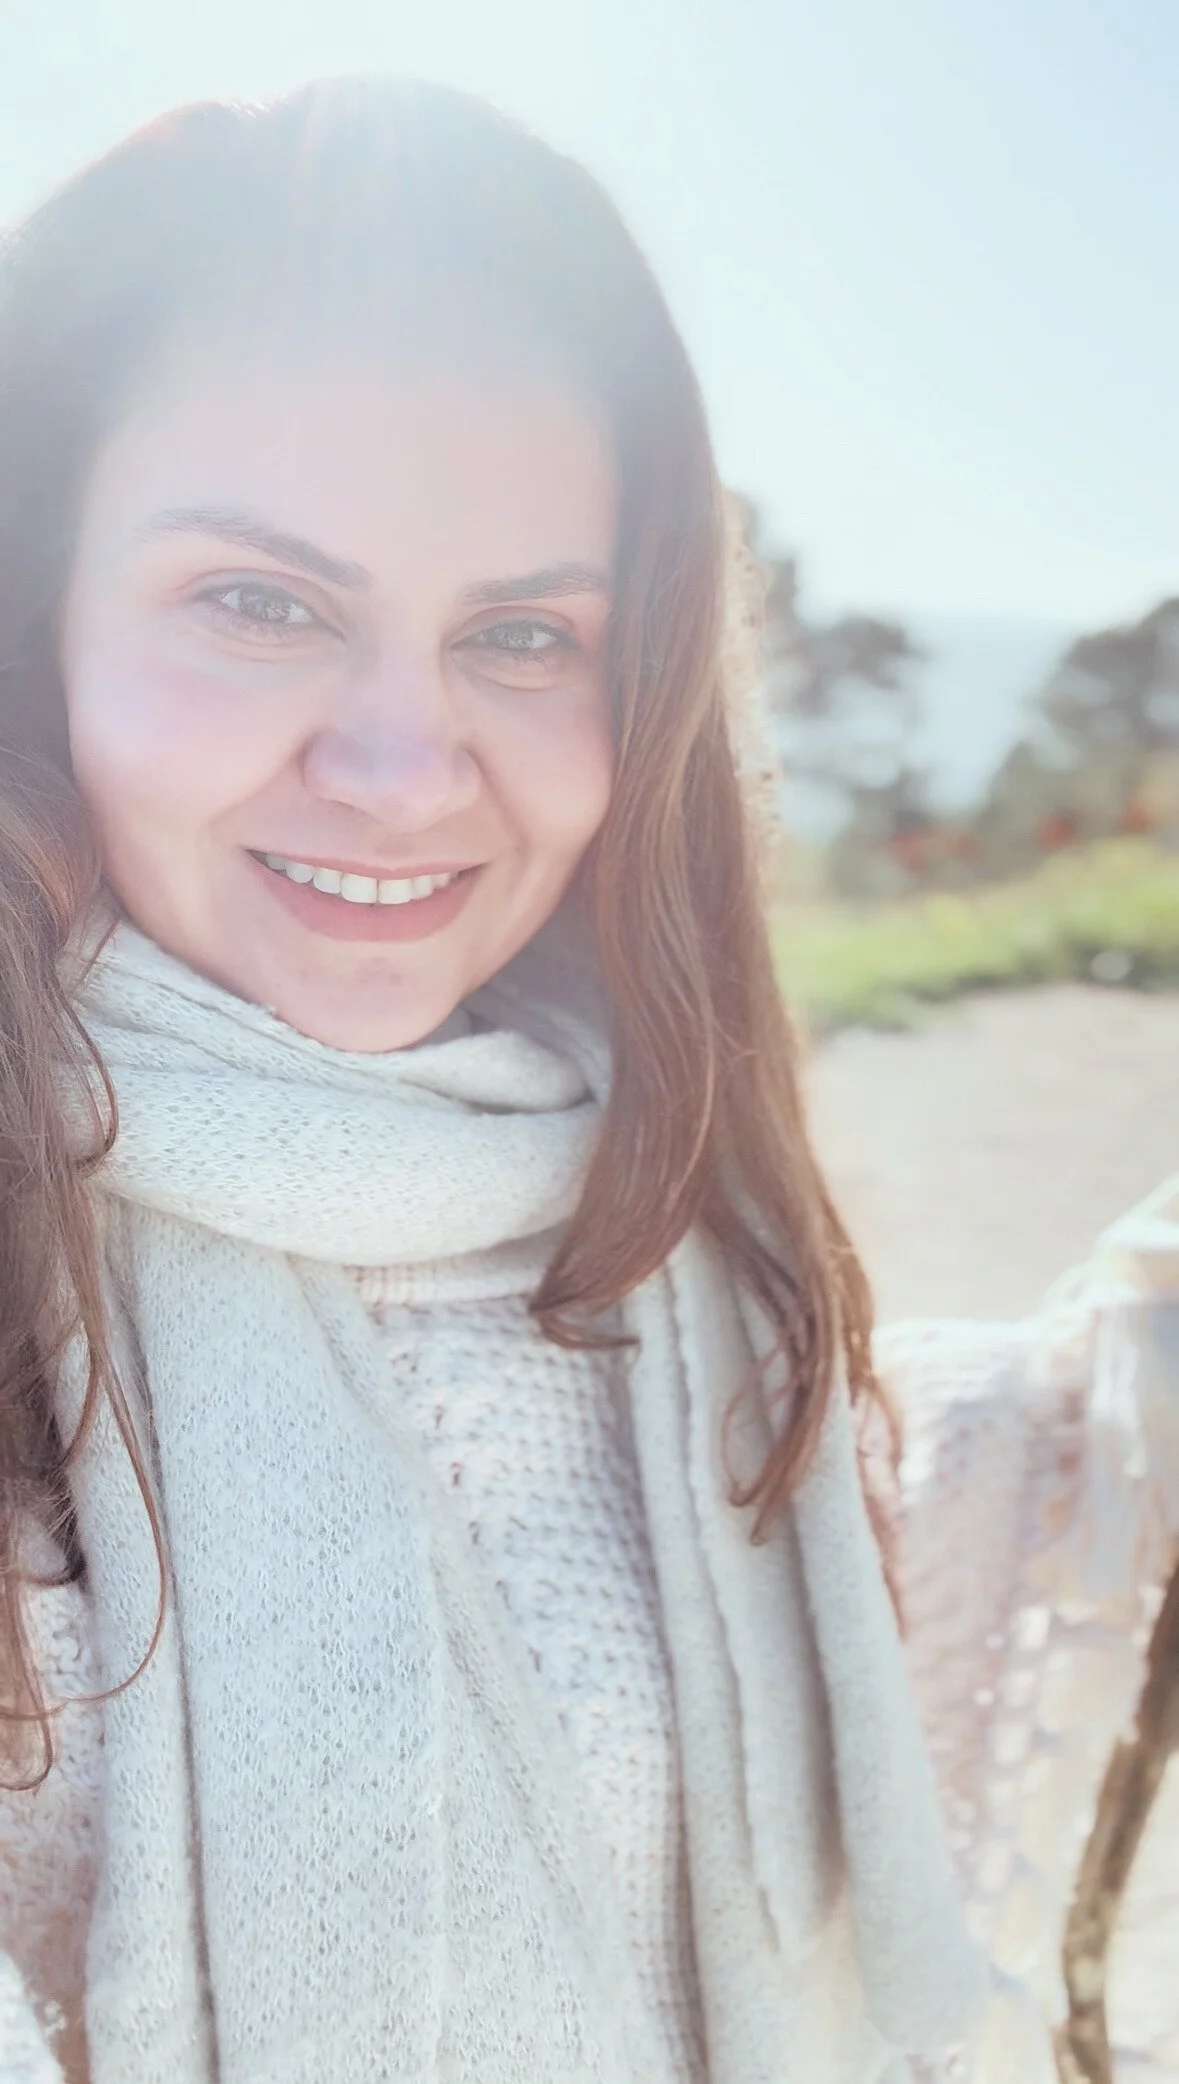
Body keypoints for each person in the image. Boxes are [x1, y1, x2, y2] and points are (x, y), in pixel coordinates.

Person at [0, 79, 982, 2084]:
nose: (398, 765)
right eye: (258, 604)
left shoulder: (672, 1218)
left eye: (524, 635)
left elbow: (981, 1509)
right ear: (38, 623)